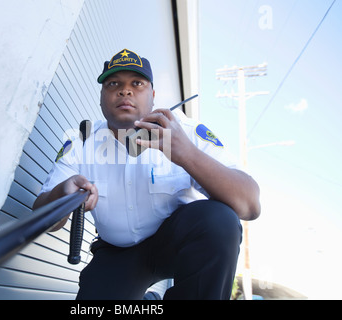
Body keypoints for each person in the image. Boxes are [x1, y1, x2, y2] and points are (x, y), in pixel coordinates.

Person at [33, 49, 261, 300]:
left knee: (218, 220)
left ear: (152, 96)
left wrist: (186, 154)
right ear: (101, 97)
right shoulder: (81, 141)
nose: (125, 90)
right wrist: (62, 195)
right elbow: (45, 220)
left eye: (137, 83)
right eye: (113, 83)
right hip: (116, 252)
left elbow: (250, 205)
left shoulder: (184, 130)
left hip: (176, 242)